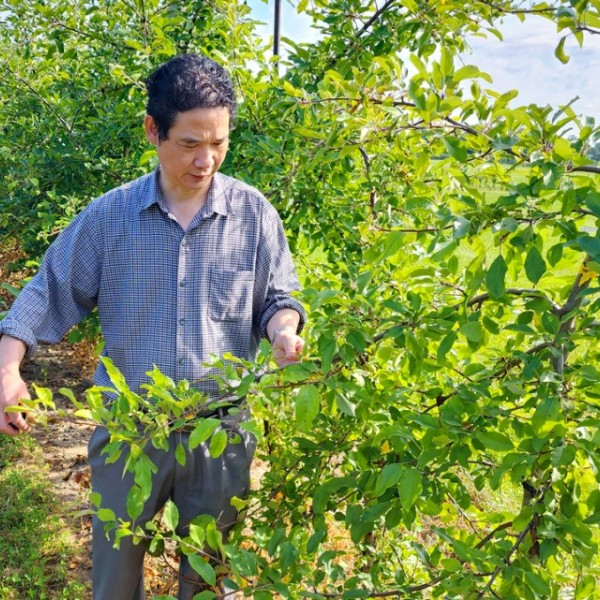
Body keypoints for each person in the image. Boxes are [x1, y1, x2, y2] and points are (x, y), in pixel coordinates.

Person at [0, 53, 306, 599]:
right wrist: (7, 369)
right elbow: (45, 294)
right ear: (152, 130)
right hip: (129, 432)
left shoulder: (254, 214)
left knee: (212, 580)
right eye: (190, 143)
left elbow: (278, 298)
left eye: (218, 143)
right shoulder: (109, 218)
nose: (205, 159)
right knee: (115, 581)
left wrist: (283, 329)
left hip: (221, 431)